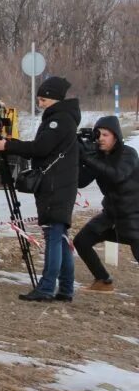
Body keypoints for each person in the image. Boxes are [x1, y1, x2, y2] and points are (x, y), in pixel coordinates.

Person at [0, 76, 80, 302]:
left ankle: (47, 287)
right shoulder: (64, 118)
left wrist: (7, 145)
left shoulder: (58, 120)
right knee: (59, 237)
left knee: (53, 235)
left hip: (54, 186)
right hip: (60, 185)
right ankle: (66, 288)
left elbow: (40, 148)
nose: (39, 104)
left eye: (42, 100)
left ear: (54, 99)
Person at [73, 115, 139, 293]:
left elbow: (117, 175)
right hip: (111, 214)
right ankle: (103, 281)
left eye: (105, 135)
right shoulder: (98, 156)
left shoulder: (129, 154)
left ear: (116, 136)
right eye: (98, 135)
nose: (100, 139)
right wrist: (80, 157)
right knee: (82, 241)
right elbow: (81, 182)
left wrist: (89, 159)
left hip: (133, 215)